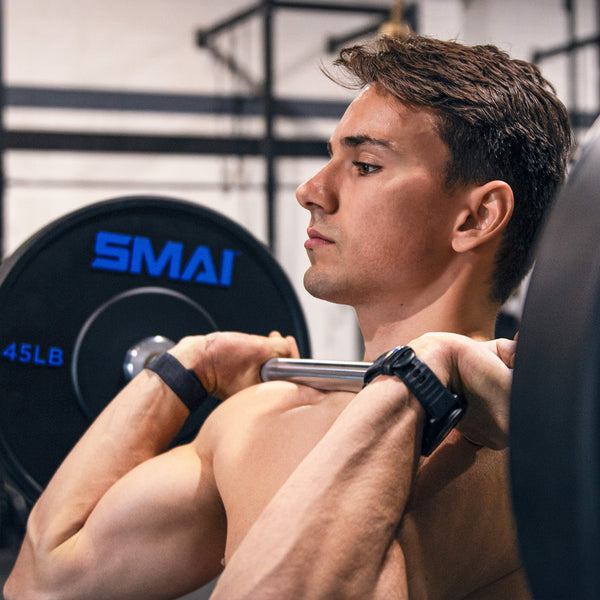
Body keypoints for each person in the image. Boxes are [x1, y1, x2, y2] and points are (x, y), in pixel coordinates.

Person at [4, 32, 571, 600]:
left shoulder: (510, 457)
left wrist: (417, 379)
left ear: (476, 217)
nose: (311, 191)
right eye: (331, 158)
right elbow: (47, 580)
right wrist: (185, 370)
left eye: (366, 165)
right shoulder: (262, 418)